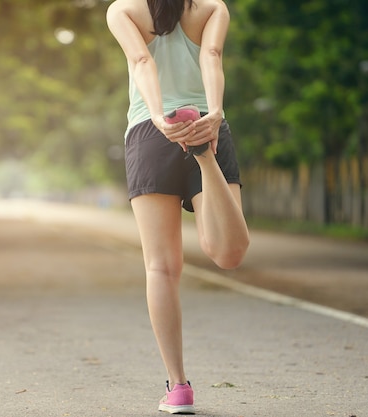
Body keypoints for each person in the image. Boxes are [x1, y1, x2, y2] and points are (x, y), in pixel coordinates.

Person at [106, 0, 250, 414]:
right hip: (207, 123)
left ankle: (179, 387)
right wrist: (215, 113)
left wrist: (157, 117)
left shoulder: (123, 10)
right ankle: (204, 157)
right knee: (227, 253)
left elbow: (140, 61)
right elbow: (212, 56)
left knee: (161, 267)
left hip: (151, 135)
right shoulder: (212, 7)